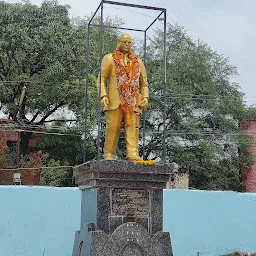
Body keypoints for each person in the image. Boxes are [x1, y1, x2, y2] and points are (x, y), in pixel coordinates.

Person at [97, 34, 149, 160]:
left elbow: (144, 83)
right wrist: (103, 95)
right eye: (124, 42)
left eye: (129, 42)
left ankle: (133, 154)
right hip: (115, 100)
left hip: (133, 101)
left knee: (133, 129)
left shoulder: (138, 62)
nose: (127, 44)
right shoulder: (109, 58)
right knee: (112, 129)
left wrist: (145, 97)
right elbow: (101, 79)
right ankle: (109, 154)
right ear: (118, 42)